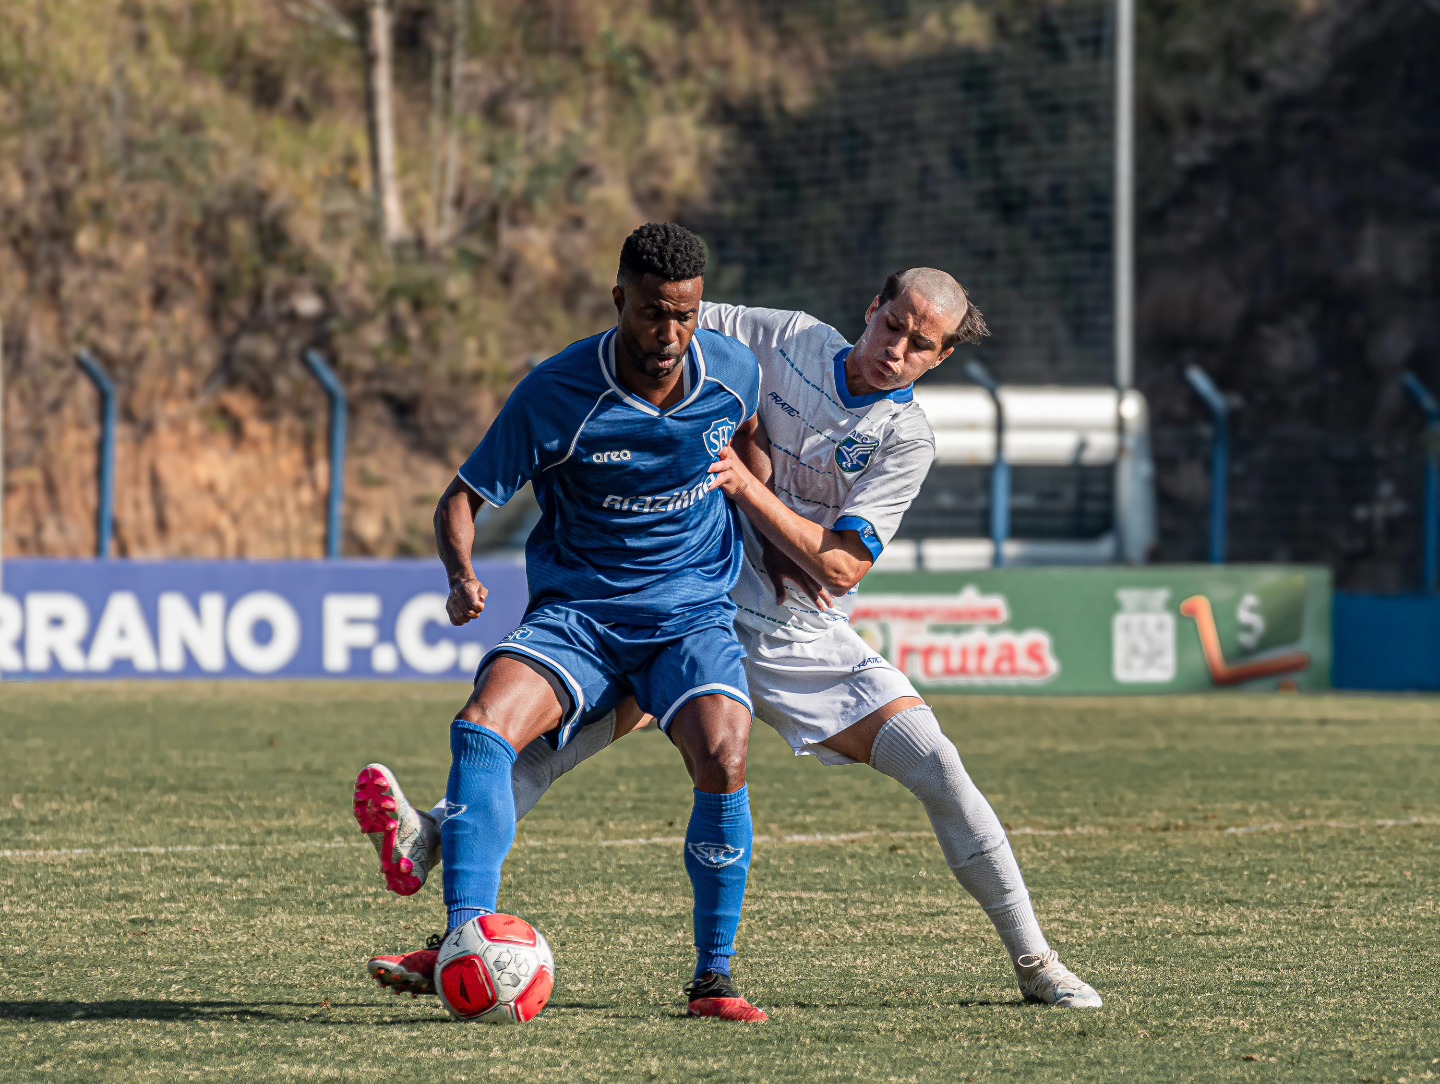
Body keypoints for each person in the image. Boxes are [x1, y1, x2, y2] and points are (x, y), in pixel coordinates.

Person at [362, 267, 1102, 1010]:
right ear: (871, 308)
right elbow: (671, 315)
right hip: (686, 601)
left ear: (940, 360)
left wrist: (751, 490)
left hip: (797, 634)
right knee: (537, 754)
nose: (896, 349)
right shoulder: (789, 338)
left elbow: (843, 566)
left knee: (937, 762)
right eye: (893, 325)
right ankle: (457, 933)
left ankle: (1037, 963)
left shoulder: (906, 439)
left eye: (920, 345)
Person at [356, 222, 768, 1022]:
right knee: (481, 728)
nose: (669, 333)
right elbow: (461, 499)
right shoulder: (557, 392)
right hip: (577, 617)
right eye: (653, 313)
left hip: (688, 618)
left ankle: (714, 979)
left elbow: (751, 444)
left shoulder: (734, 373)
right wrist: (462, 576)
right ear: (620, 300)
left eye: (685, 315)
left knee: (724, 754)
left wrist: (757, 508)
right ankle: (465, 941)